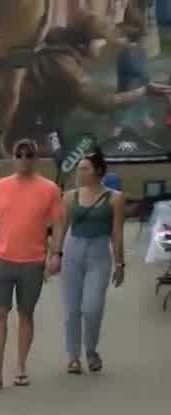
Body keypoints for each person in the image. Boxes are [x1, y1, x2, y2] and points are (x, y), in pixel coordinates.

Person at [0, 139, 64, 391]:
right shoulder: (1, 187)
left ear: (35, 159)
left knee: (26, 314)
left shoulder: (49, 189)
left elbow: (58, 223)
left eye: (29, 155)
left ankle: (21, 366)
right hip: (3, 260)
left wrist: (57, 253)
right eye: (19, 154)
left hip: (33, 263)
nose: (24, 158)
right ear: (13, 158)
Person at [60, 150, 125, 375]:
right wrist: (55, 254)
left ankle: (91, 350)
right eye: (79, 168)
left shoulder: (115, 198)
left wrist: (120, 263)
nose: (80, 172)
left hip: (99, 252)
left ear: (98, 171)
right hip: (73, 250)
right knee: (72, 309)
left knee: (92, 307)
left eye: (85, 168)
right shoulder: (70, 196)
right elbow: (61, 227)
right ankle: (73, 357)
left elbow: (117, 232)